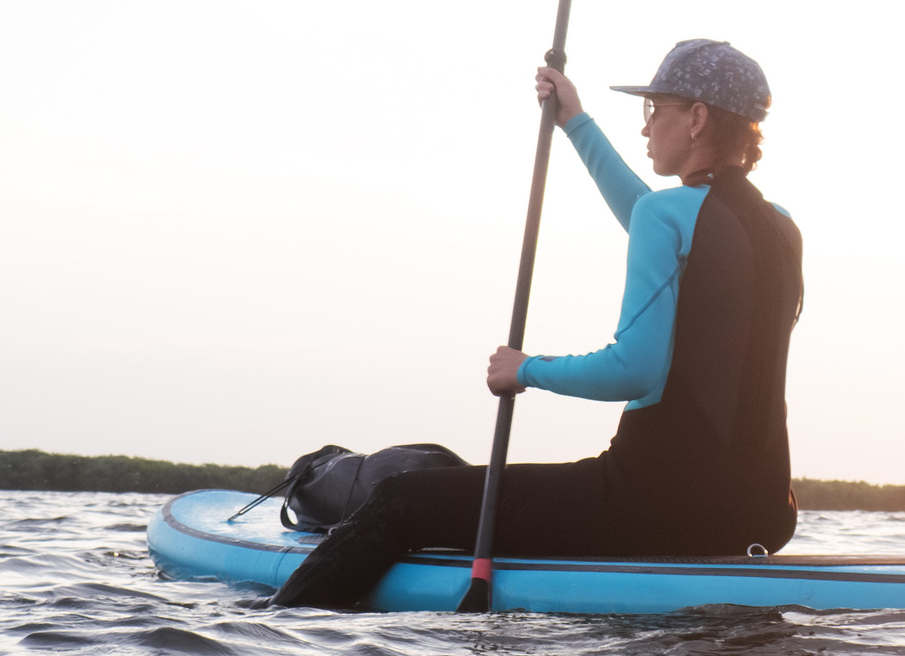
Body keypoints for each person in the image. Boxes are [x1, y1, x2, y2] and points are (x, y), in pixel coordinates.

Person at [272, 38, 804, 609]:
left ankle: (277, 628)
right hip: (763, 514)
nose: (646, 128)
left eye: (655, 110)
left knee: (406, 497)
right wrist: (575, 122)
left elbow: (632, 370)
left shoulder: (668, 216)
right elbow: (665, 220)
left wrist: (526, 370)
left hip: (653, 504)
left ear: (697, 118)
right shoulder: (780, 227)